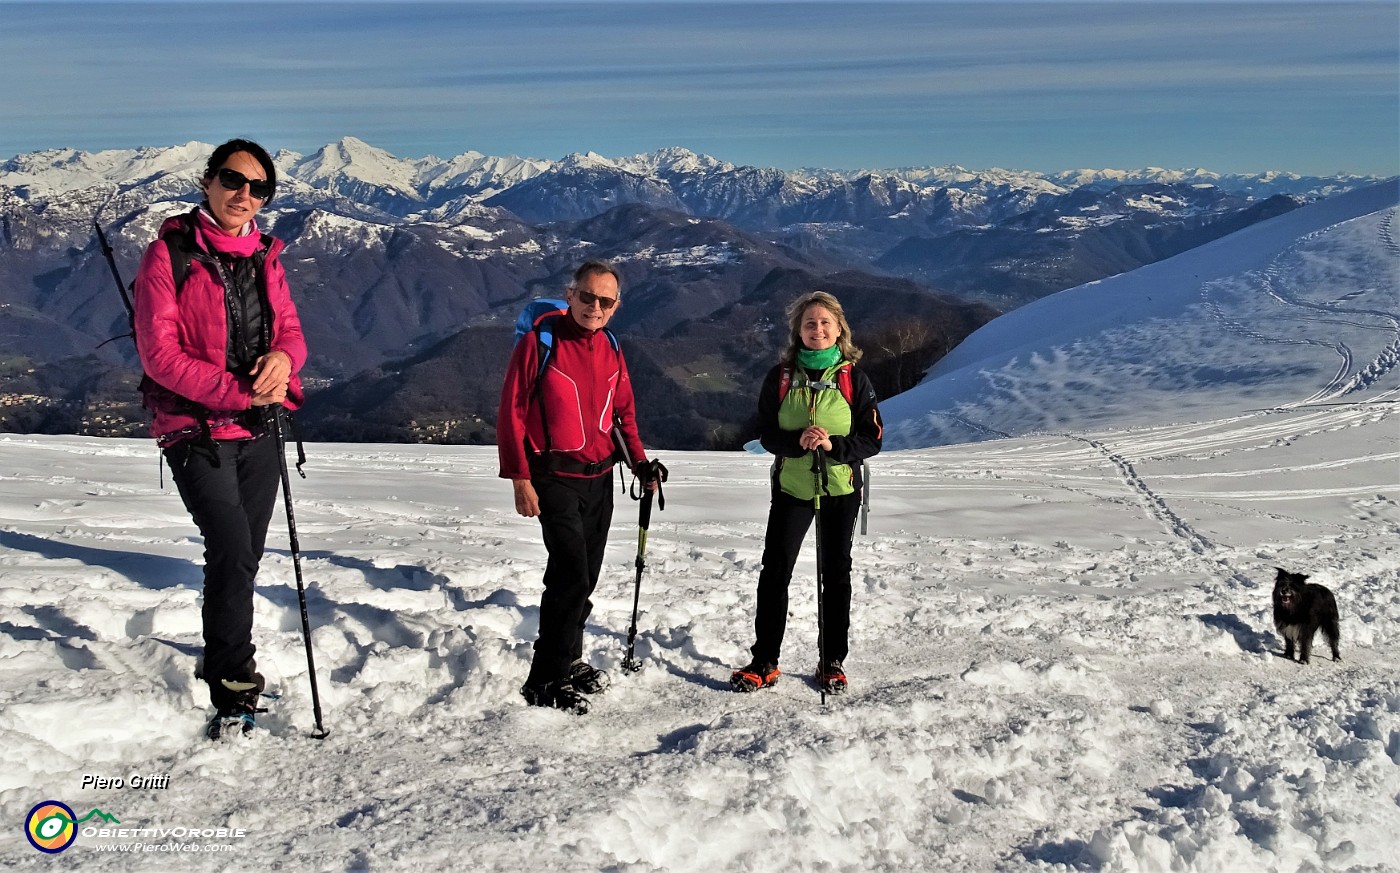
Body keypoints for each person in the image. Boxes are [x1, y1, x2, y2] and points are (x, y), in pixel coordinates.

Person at [132, 138, 307, 737]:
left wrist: (285, 358)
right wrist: (241, 393)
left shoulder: (266, 256)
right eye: (234, 180)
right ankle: (234, 679)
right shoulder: (168, 256)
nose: (245, 195)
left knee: (243, 556)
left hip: (259, 429)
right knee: (231, 547)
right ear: (208, 181)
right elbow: (160, 356)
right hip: (193, 429)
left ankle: (225, 651)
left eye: (259, 188)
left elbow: (290, 329)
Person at [497, 261, 652, 715]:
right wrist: (520, 479)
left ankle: (570, 657)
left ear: (616, 307)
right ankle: (544, 679)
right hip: (553, 477)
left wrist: (641, 464)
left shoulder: (611, 347)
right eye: (588, 297)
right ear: (571, 295)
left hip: (600, 477)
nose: (595, 307)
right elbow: (512, 413)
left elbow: (624, 416)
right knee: (570, 576)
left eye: (605, 301)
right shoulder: (539, 342)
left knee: (586, 577)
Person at [731, 290, 882, 695]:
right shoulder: (780, 377)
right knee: (775, 571)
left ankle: (832, 660)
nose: (818, 329)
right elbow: (765, 433)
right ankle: (765, 660)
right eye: (810, 323)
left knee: (835, 574)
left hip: (840, 487)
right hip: (792, 487)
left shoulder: (854, 378)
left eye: (825, 323)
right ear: (798, 331)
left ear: (839, 330)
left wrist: (834, 446)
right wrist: (797, 441)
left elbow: (873, 438)